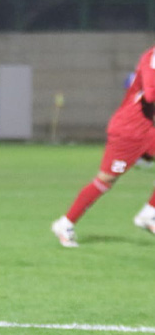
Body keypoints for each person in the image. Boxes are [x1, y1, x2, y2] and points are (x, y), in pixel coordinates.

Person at [52, 44, 155, 247]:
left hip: (148, 130)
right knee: (106, 180)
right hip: (128, 131)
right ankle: (65, 224)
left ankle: (149, 213)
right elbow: (151, 94)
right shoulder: (153, 57)